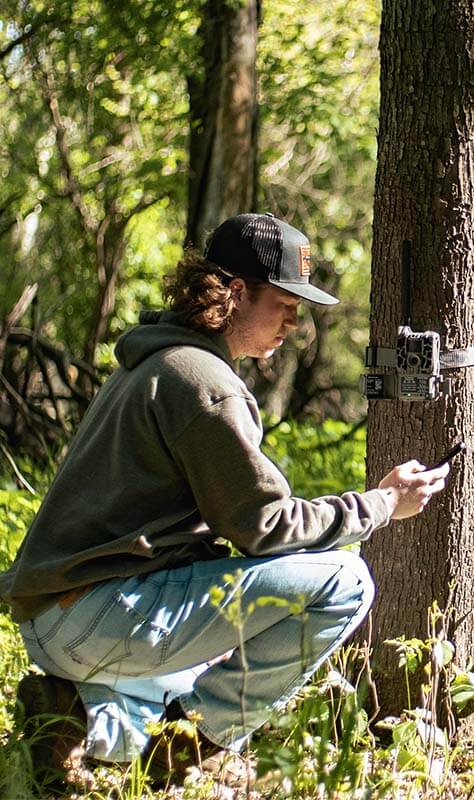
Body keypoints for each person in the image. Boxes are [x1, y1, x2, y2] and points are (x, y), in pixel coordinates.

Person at [0, 212, 450, 790]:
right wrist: (382, 503)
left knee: (197, 672)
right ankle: (191, 748)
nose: (294, 322)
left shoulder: (166, 358)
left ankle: (76, 718)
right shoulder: (200, 380)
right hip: (93, 613)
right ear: (235, 293)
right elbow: (261, 525)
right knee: (346, 580)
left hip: (61, 616)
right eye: (284, 303)